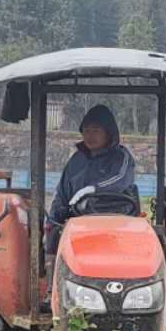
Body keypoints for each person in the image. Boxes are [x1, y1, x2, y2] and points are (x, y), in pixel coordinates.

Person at [44, 104, 139, 258]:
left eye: (96, 130)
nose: (90, 136)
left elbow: (120, 179)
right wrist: (53, 221)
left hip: (116, 223)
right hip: (79, 224)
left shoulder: (121, 157)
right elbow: (62, 192)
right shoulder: (76, 160)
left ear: (108, 133)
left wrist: (92, 190)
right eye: (86, 131)